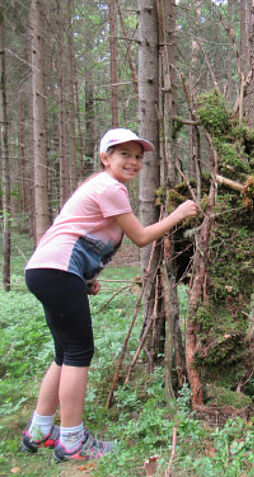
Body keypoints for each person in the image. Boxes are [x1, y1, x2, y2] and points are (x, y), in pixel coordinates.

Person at [20, 128, 198, 463]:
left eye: (138, 157)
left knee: (64, 353)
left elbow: (76, 232)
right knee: (78, 352)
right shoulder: (110, 187)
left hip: (47, 270)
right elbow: (142, 237)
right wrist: (178, 215)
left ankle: (39, 432)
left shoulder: (98, 187)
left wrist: (83, 278)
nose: (133, 162)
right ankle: (72, 442)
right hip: (56, 270)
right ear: (105, 158)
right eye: (124, 155)